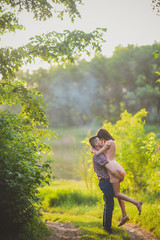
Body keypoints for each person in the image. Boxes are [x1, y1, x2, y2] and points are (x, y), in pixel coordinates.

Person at [92, 128, 142, 226]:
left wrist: (93, 150)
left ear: (102, 137)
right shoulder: (111, 142)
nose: (100, 142)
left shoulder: (107, 143)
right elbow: (99, 147)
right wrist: (93, 147)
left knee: (117, 194)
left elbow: (97, 152)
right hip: (115, 164)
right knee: (117, 193)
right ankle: (124, 215)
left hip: (112, 167)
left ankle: (136, 203)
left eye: (100, 139)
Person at [89, 135, 124, 233]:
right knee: (109, 205)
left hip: (104, 181)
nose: (101, 141)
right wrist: (121, 177)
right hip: (105, 182)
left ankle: (106, 226)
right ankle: (108, 229)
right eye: (99, 140)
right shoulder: (99, 155)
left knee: (108, 204)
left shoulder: (98, 152)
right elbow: (111, 170)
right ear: (96, 144)